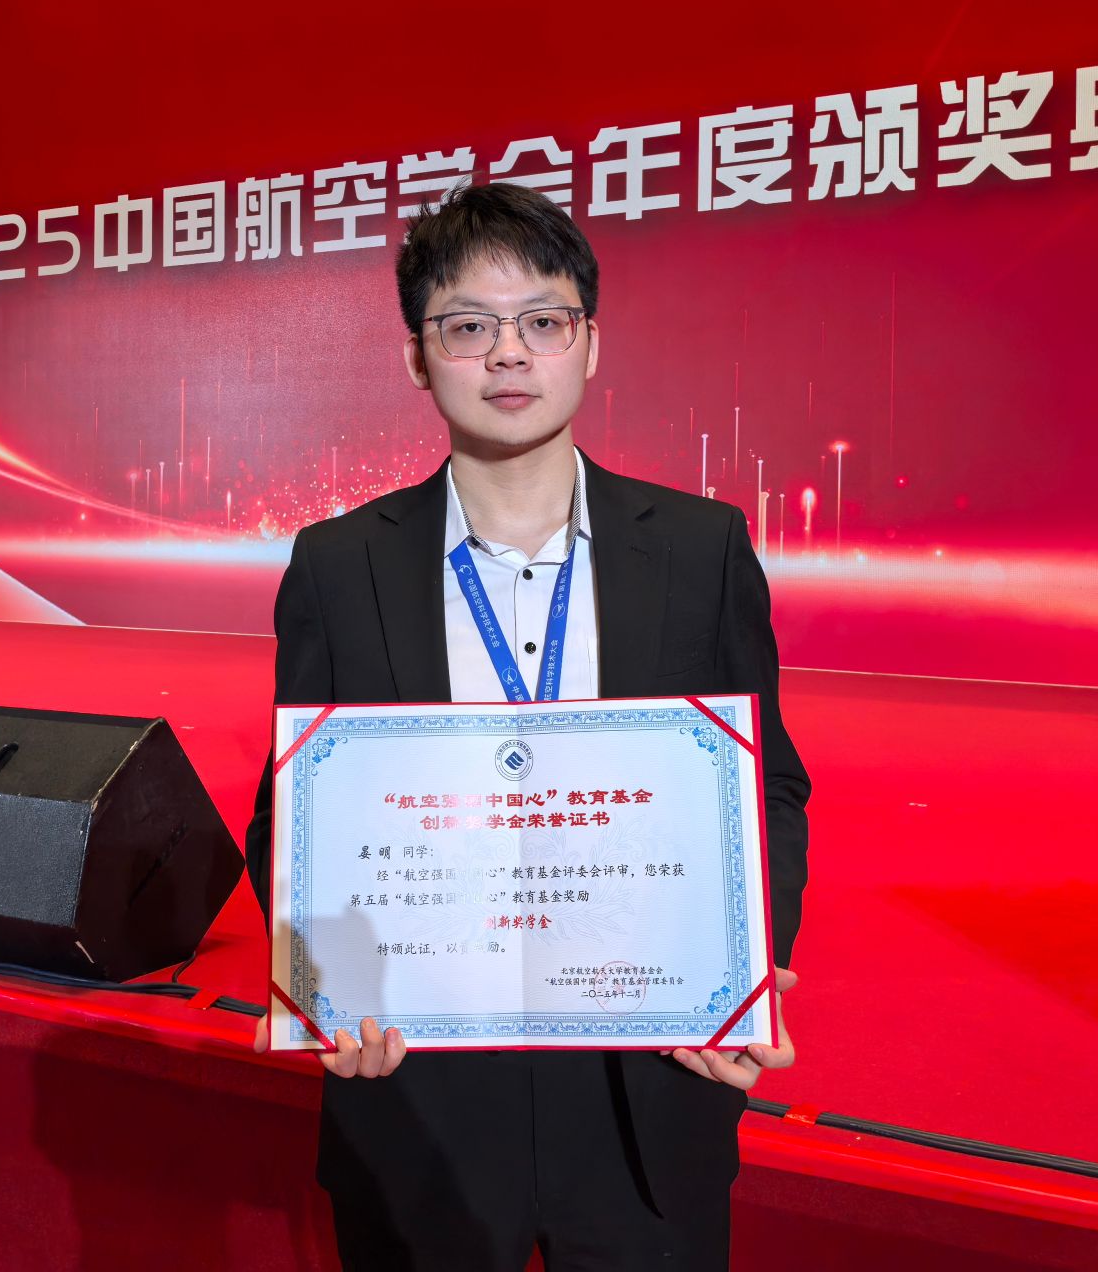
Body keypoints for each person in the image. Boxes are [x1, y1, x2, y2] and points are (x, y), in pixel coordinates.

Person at [244, 182, 810, 1271]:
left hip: (646, 1068)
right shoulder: (338, 564)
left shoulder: (699, 550)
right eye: (467, 326)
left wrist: (742, 971)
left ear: (589, 344)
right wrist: (328, 990)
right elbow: (295, 805)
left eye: (543, 321)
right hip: (420, 1081)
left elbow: (766, 787)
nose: (509, 353)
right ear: (418, 357)